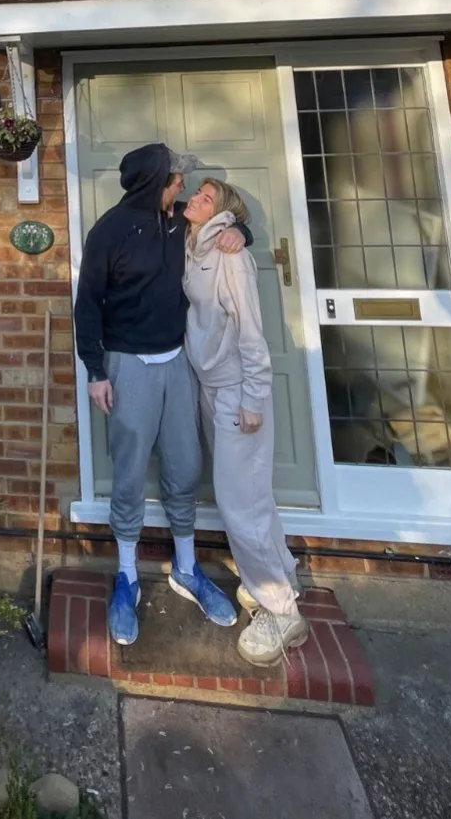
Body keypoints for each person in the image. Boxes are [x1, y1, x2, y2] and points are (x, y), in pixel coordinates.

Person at [74, 143, 249, 647]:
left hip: (178, 363)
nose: (182, 188)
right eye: (176, 180)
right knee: (128, 471)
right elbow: (88, 306)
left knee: (184, 464)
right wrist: (95, 371)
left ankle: (188, 568)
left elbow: (227, 224)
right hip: (127, 365)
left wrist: (241, 230)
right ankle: (126, 575)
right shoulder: (107, 232)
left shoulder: (178, 222)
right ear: (155, 183)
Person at [182, 177, 307, 666]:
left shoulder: (230, 256)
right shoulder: (193, 244)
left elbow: (251, 331)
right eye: (196, 193)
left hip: (238, 392)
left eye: (207, 198)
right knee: (250, 495)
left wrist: (254, 395)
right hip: (213, 387)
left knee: (240, 504)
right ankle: (282, 577)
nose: (194, 198)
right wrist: (231, 223)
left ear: (224, 211)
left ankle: (281, 612)